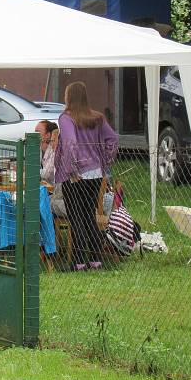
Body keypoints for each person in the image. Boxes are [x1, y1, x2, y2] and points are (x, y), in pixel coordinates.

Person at [53, 81, 119, 270]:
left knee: (76, 217)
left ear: (68, 97)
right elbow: (113, 139)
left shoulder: (66, 118)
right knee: (90, 215)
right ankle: (96, 261)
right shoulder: (97, 117)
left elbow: (71, 144)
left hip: (75, 175)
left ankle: (79, 262)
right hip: (96, 173)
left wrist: (72, 168)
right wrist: (104, 159)